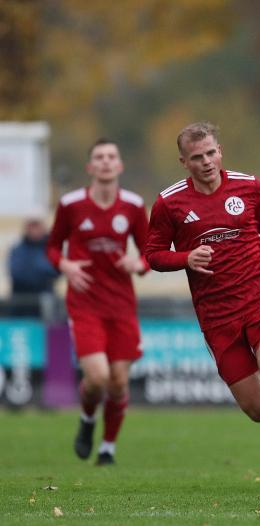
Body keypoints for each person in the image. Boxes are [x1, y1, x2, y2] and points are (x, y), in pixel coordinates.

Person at [144, 122, 260, 492]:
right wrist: (186, 258)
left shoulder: (249, 186)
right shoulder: (169, 203)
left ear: (220, 151)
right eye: (196, 157)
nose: (206, 162)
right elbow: (153, 256)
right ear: (183, 162)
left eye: (211, 153)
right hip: (217, 315)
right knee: (257, 410)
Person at [47, 139, 149, 465]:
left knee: (118, 383)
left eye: (111, 157)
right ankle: (88, 418)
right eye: (99, 158)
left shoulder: (133, 205)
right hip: (85, 303)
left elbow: (151, 250)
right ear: (90, 167)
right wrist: (65, 265)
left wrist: (140, 265)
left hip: (121, 304)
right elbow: (52, 247)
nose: (105, 162)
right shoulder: (71, 204)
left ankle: (107, 448)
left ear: (119, 165)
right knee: (98, 377)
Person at [8, 218, 59, 317]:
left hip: (45, 300)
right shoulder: (17, 249)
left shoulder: (52, 248)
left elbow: (56, 270)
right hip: (21, 303)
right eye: (32, 226)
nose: (34, 230)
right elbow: (15, 273)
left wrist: (32, 268)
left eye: (37, 226)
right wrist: (41, 270)